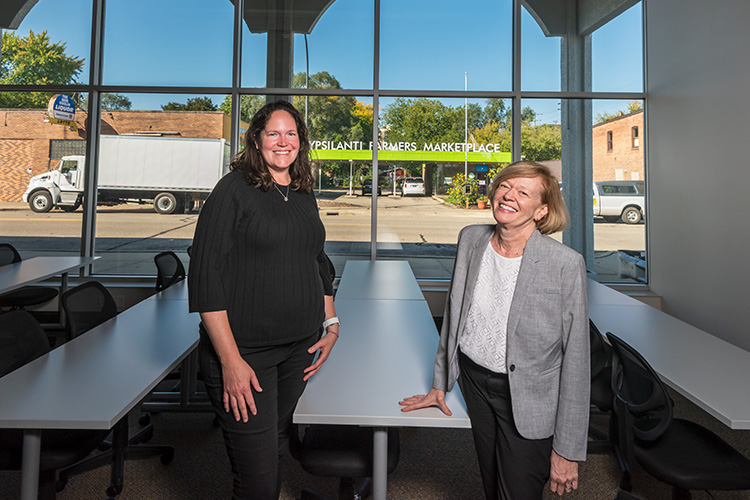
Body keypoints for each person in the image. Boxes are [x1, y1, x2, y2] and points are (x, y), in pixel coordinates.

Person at [400, 161, 589, 500]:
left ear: (542, 210)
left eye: (523, 192)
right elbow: (454, 318)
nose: (508, 195)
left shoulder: (565, 264)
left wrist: (567, 449)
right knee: (491, 482)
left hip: (529, 394)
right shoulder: (471, 239)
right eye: (505, 186)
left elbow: (577, 360)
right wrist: (440, 384)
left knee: (517, 491)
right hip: (475, 381)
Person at [188, 100, 339, 500]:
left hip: (297, 348)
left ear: (302, 143)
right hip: (246, 355)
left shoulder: (303, 192)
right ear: (256, 139)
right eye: (273, 133)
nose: (282, 141)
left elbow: (317, 260)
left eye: (291, 133)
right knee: (255, 480)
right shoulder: (233, 190)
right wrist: (230, 361)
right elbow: (205, 279)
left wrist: (331, 323)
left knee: (274, 448)